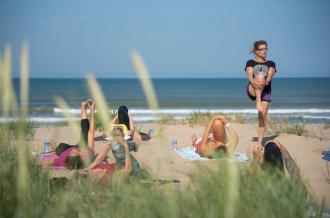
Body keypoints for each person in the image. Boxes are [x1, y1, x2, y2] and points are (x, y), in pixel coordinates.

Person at [41, 99, 96, 169]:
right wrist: (92, 111)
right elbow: (91, 132)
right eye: (74, 152)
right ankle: (83, 107)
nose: (72, 150)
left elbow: (45, 162)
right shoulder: (89, 155)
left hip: (63, 148)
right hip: (82, 146)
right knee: (85, 131)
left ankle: (53, 146)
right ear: (81, 157)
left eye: (70, 153)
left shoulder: (62, 159)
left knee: (59, 148)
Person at [245, 40, 277, 145]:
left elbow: (271, 73)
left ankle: (259, 143)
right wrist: (254, 82)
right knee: (259, 75)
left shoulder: (270, 63)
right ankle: (258, 101)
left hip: (266, 90)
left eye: (265, 48)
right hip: (253, 89)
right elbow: (249, 74)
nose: (265, 51)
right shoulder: (250, 62)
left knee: (262, 118)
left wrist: (265, 81)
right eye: (262, 49)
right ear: (256, 51)